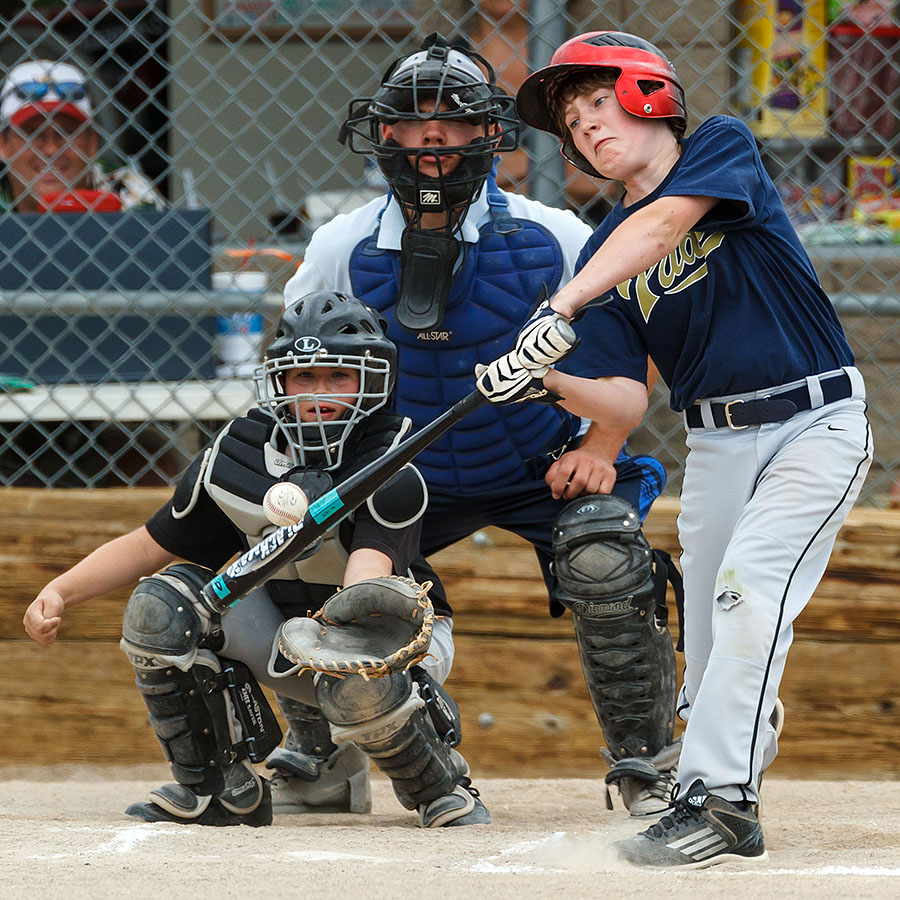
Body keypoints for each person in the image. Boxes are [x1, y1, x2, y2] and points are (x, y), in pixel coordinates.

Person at [477, 30, 873, 866]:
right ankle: (717, 773)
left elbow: (660, 230)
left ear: (650, 93)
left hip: (814, 422)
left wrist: (563, 307)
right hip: (718, 443)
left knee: (746, 591)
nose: (585, 128)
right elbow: (624, 397)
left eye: (595, 102)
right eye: (572, 122)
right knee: (709, 638)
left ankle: (722, 801)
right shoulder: (600, 252)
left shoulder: (719, 147)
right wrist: (538, 375)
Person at [281, 33, 680, 819]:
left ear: (489, 133)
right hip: (407, 470)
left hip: (539, 456)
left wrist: (601, 447)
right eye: (414, 118)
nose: (434, 136)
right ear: (384, 133)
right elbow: (300, 367)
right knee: (307, 543)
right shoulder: (342, 244)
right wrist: (317, 476)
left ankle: (647, 764)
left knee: (604, 551)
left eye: (454, 119)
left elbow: (638, 353)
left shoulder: (553, 235)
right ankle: (340, 758)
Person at [23, 290, 490, 829]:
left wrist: (334, 639)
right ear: (279, 383)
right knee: (161, 606)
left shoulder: (390, 464)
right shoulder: (237, 455)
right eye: (304, 377)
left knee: (354, 670)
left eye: (339, 378)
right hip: (285, 628)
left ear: (372, 382)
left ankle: (436, 784)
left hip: (392, 638)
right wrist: (60, 590)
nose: (319, 394)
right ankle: (220, 787)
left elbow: (366, 581)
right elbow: (151, 545)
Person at [0, 58, 163, 213]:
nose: (51, 149)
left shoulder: (127, 190)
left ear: (92, 143)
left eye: (66, 132)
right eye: (33, 134)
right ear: (3, 145)